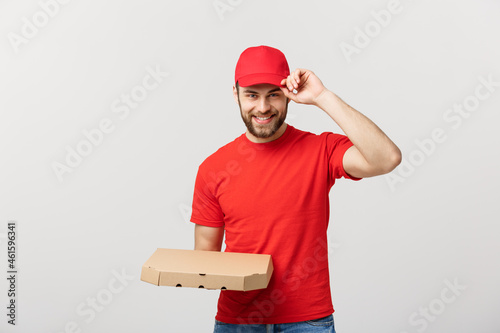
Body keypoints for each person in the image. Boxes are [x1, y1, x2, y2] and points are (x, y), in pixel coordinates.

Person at [190, 45, 401, 333]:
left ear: (288, 93)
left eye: (273, 95)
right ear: (236, 93)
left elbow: (386, 158)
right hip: (237, 322)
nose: (263, 108)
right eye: (252, 95)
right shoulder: (213, 168)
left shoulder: (321, 150)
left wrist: (322, 97)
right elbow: (205, 256)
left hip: (307, 321)